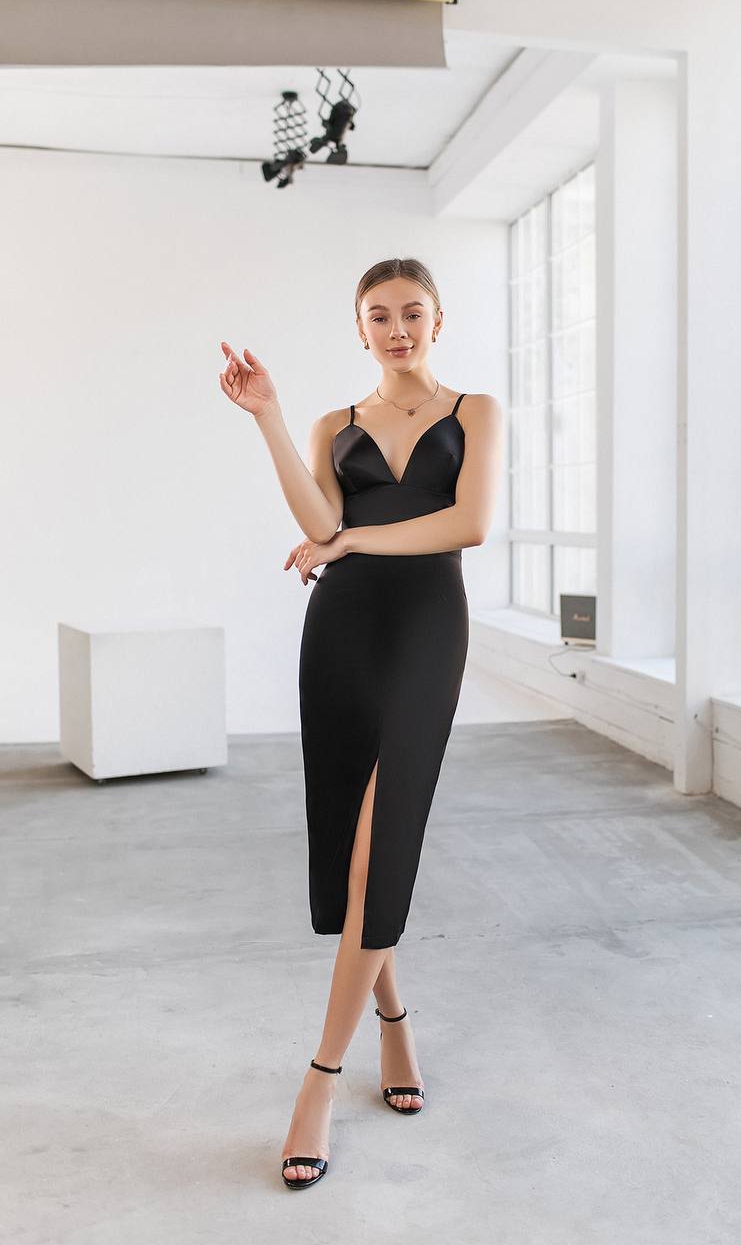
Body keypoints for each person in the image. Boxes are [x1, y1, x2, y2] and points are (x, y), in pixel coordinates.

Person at [219, 257, 501, 1189]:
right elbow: (316, 513)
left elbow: (465, 525)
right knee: (350, 848)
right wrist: (267, 415)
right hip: (340, 632)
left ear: (438, 319)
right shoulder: (333, 424)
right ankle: (394, 1024)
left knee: (386, 842)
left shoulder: (475, 414)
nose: (396, 328)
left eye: (411, 313)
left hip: (427, 631)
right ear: (359, 329)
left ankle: (319, 1076)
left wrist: (351, 539)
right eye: (378, 316)